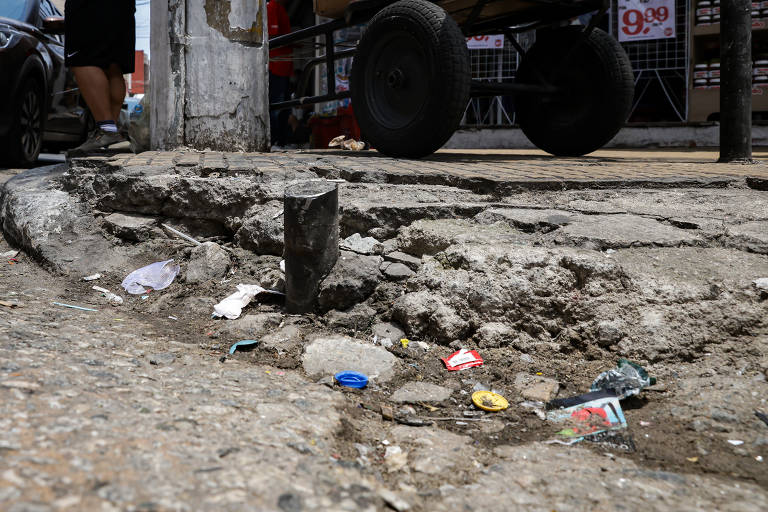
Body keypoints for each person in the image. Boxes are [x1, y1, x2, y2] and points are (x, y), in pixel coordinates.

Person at [65, 0, 135, 152]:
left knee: (82, 59)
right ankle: (111, 135)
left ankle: (107, 131)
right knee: (112, 64)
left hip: (91, 7)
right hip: (123, 6)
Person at [267, 0, 293, 147]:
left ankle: (279, 139)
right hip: (279, 64)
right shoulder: (274, 7)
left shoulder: (275, 7)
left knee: (280, 105)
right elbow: (274, 35)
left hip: (280, 64)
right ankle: (278, 139)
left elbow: (274, 35)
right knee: (280, 105)